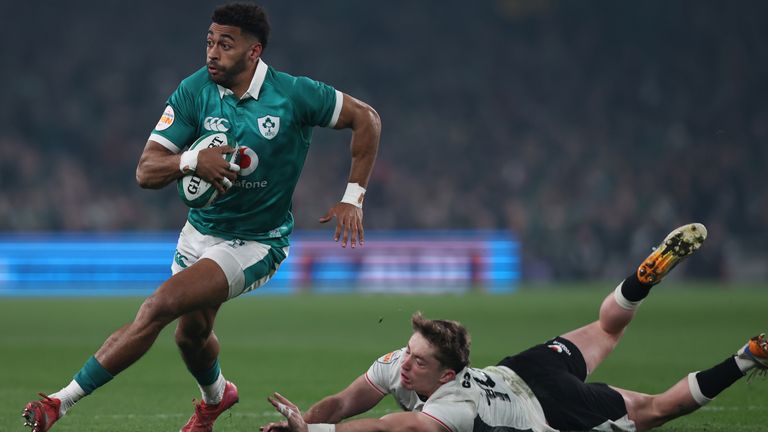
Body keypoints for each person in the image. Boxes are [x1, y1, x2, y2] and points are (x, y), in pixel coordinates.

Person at [22, 3, 380, 432]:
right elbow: (146, 170)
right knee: (190, 337)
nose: (212, 52)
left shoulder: (294, 95)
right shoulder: (194, 90)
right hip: (199, 233)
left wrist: (353, 198)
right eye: (209, 41)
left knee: (159, 306)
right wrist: (193, 160)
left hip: (255, 242)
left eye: (225, 45)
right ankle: (217, 398)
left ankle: (59, 403)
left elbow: (367, 119)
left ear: (253, 52)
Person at [261, 223, 768, 432]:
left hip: (552, 409)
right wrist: (304, 420)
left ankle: (749, 355)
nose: (405, 362)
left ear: (445, 375)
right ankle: (641, 279)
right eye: (408, 352)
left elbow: (390, 428)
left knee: (657, 409)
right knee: (606, 328)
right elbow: (348, 403)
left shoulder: (453, 407)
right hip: (527, 368)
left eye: (418, 360)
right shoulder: (405, 364)